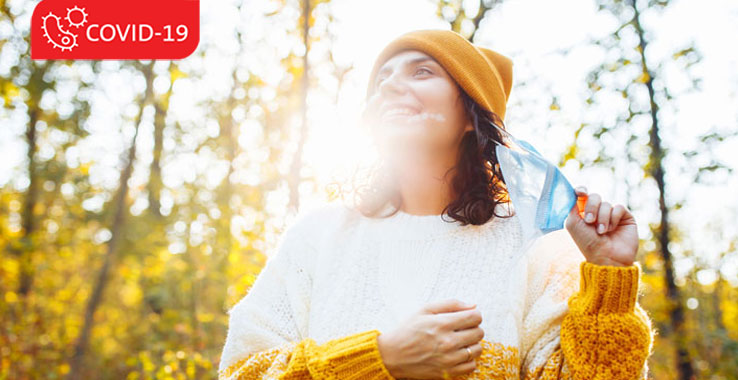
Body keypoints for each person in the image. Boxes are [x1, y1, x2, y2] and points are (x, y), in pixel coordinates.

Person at [218, 29, 654, 380]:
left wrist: (609, 282)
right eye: (382, 79)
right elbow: (242, 372)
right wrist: (378, 359)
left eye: (421, 71)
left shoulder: (539, 247)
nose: (390, 85)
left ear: (471, 113)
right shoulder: (316, 239)